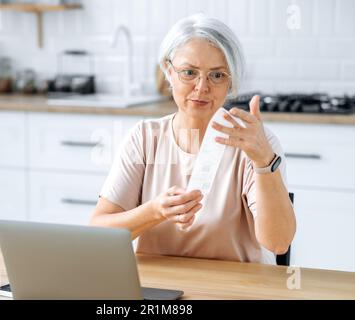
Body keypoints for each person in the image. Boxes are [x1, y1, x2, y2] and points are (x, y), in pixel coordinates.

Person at [90, 14, 296, 264]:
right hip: (157, 291)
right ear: (169, 70)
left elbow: (278, 242)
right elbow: (98, 233)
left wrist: (265, 162)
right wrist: (155, 211)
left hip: (233, 289)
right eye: (189, 72)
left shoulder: (256, 144)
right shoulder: (144, 138)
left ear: (231, 80)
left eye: (217, 75)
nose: (201, 88)